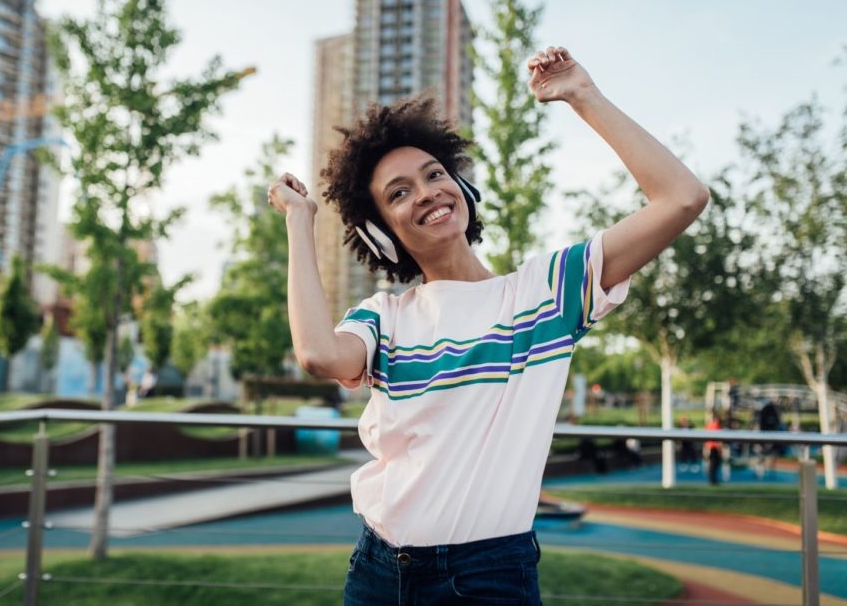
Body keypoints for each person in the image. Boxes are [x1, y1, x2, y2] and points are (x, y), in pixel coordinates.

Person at [268, 46, 709, 605]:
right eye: (399, 193)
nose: (427, 192)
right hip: (377, 568)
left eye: (434, 175)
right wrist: (300, 221)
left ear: (464, 189)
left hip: (487, 578)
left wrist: (582, 95)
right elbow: (318, 354)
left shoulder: (543, 293)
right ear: (382, 234)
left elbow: (682, 197)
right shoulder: (383, 316)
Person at [705, 410, 724, 485]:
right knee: (714, 464)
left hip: (710, 447)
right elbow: (718, 439)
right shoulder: (716, 425)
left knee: (712, 465)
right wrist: (720, 449)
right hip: (714, 448)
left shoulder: (709, 425)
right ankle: (713, 480)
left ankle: (712, 479)